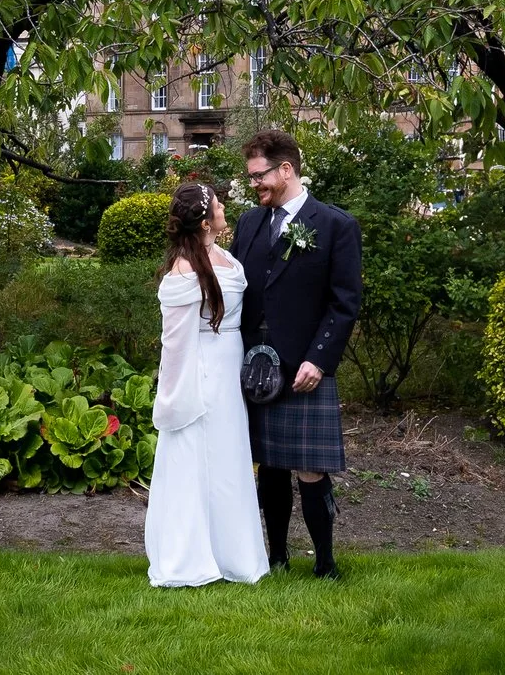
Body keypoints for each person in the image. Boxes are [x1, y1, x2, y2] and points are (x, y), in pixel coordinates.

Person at [231, 127, 363, 578]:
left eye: (259, 176)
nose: (254, 185)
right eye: (251, 178)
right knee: (268, 466)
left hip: (304, 364)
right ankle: (277, 556)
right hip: (254, 366)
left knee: (309, 467)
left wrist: (319, 360)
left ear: (286, 170)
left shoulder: (334, 225)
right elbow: (236, 291)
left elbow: (344, 302)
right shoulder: (250, 223)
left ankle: (325, 563)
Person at [144, 181, 271, 587]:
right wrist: (175, 397)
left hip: (229, 368)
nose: (223, 208)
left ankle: (233, 555)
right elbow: (175, 343)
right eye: (218, 205)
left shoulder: (224, 258)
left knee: (228, 460)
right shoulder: (184, 271)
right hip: (201, 374)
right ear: (204, 221)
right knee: (195, 460)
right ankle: (188, 558)